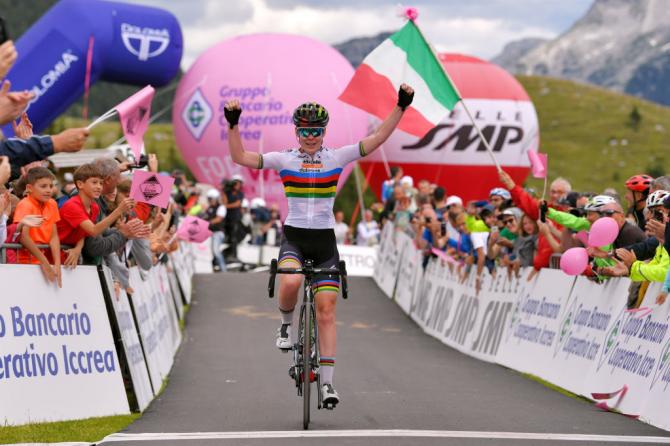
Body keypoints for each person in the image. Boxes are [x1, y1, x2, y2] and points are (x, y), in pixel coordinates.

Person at [225, 83, 414, 408]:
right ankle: (285, 327)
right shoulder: (283, 158)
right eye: (304, 131)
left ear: (324, 131)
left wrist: (401, 106)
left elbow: (379, 138)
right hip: (295, 237)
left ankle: (327, 385)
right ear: (297, 132)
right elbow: (240, 156)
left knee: (326, 312)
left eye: (315, 131)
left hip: (325, 240)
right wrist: (233, 124)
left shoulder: (337, 156)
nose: (310, 136)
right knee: (292, 279)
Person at [56, 163, 134, 268]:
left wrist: (78, 248)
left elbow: (84, 233)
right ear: (80, 184)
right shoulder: (72, 206)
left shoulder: (94, 206)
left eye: (101, 183)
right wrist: (119, 210)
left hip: (70, 256)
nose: (99, 187)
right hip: (55, 256)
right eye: (94, 182)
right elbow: (93, 230)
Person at [13, 167, 62, 286]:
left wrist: (57, 264)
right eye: (43, 186)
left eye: (51, 186)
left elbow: (54, 237)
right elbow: (24, 238)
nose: (49, 190)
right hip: (24, 261)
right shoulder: (25, 204)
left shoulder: (52, 204)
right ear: (29, 188)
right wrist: (45, 262)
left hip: (42, 260)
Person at [204, 188, 227, 271]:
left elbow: (218, 219)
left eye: (211, 199)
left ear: (216, 198)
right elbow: (204, 216)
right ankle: (213, 268)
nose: (209, 201)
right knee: (209, 252)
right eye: (209, 199)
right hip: (210, 232)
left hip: (218, 233)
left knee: (216, 251)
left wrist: (207, 223)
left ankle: (223, 269)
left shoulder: (221, 207)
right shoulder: (209, 208)